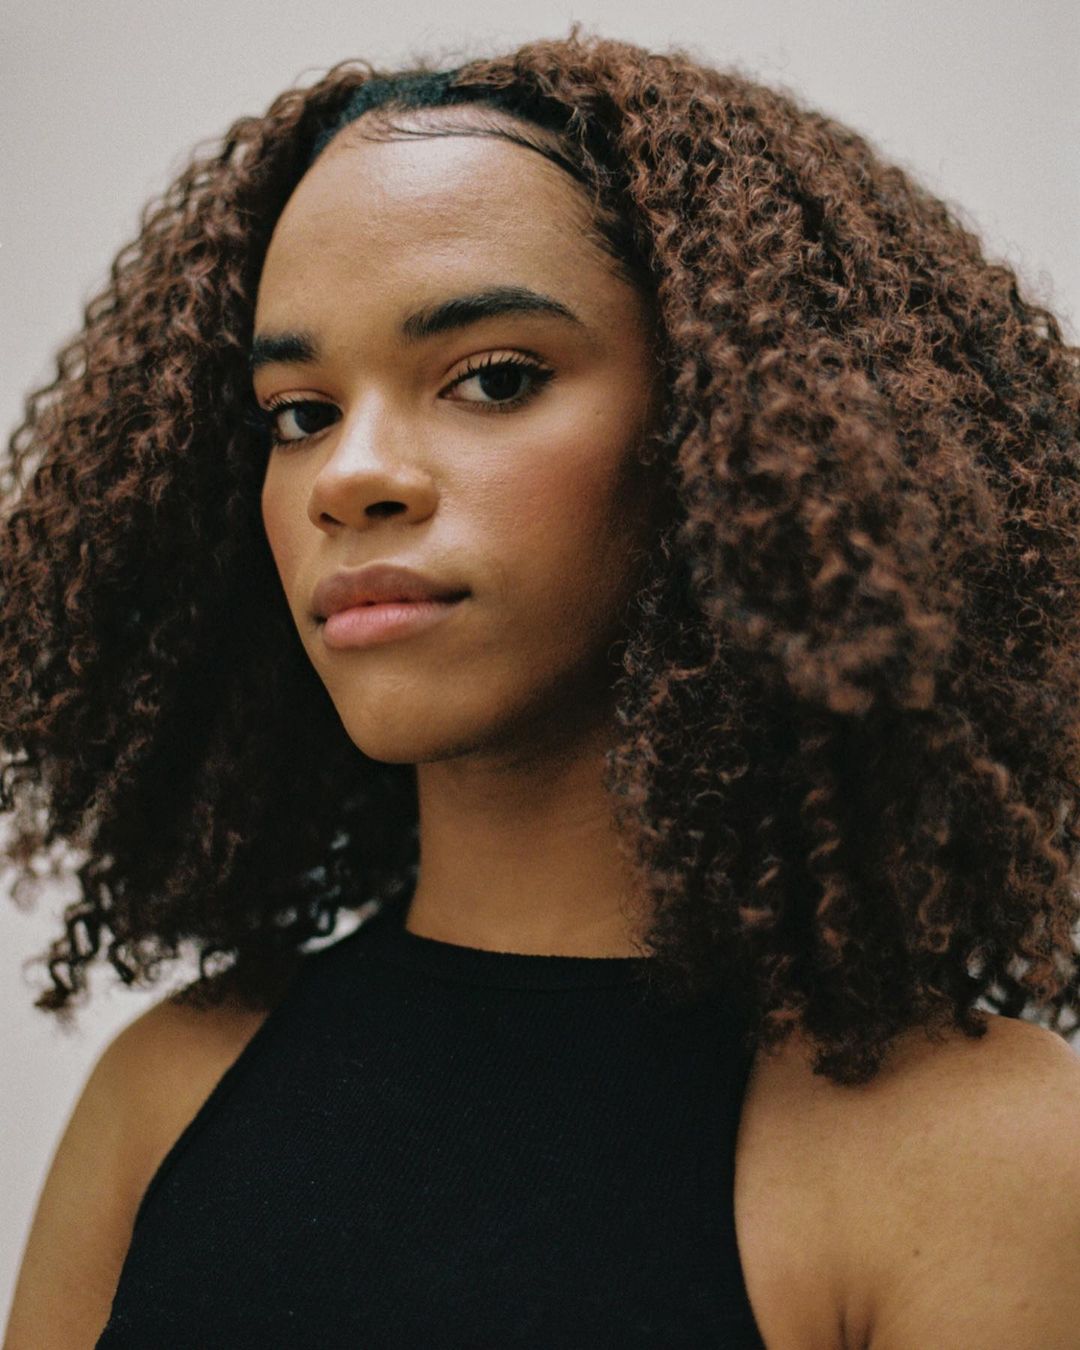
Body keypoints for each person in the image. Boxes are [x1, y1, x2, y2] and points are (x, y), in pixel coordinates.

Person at [4, 26, 1080, 1349]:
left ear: (733, 430)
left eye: (494, 380)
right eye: (299, 412)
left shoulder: (975, 1156)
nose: (351, 474)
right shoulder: (167, 1095)